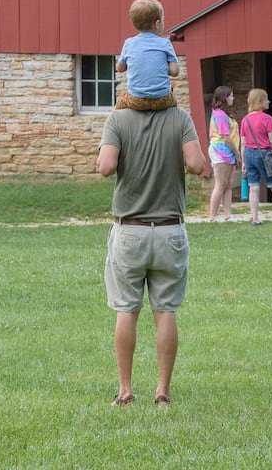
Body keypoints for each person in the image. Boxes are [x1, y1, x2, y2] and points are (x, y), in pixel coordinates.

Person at [97, 103, 208, 407]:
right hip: (169, 231)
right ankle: (163, 391)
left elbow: (106, 166)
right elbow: (198, 165)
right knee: (165, 310)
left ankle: (125, 390)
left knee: (126, 309)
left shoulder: (117, 119)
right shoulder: (180, 118)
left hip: (129, 230)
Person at [115, 0, 180, 111]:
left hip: (136, 100)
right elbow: (175, 72)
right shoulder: (165, 43)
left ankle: (114, 120)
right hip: (162, 100)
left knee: (118, 107)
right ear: (157, 23)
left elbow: (120, 68)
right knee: (174, 104)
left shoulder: (129, 43)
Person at [239, 88, 272, 226]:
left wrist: (243, 161)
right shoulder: (267, 119)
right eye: (266, 99)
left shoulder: (245, 120)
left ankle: (255, 219)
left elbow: (243, 143)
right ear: (260, 101)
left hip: (249, 154)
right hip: (265, 154)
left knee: (253, 188)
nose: (268, 101)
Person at [206, 86, 239, 221]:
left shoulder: (225, 114)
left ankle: (227, 214)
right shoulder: (219, 115)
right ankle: (212, 216)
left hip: (229, 152)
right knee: (220, 184)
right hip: (221, 151)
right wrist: (237, 153)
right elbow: (226, 137)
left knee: (228, 184)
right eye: (231, 96)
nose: (233, 98)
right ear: (224, 98)